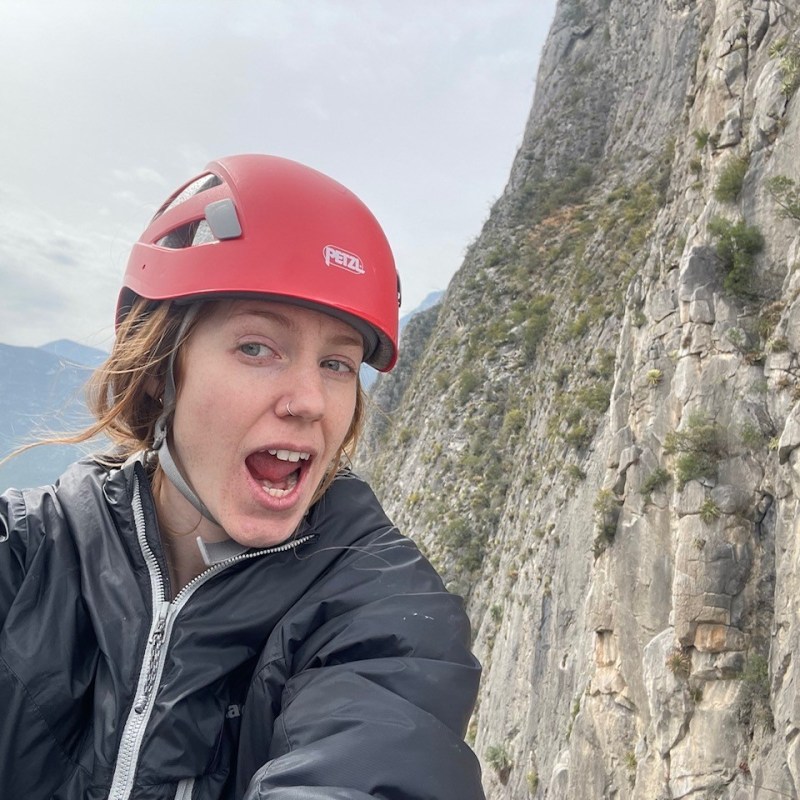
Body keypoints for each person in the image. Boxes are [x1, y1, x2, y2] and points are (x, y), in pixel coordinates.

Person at [0, 155, 485, 799]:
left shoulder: (385, 614)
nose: (309, 399)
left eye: (338, 364)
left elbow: (374, 764)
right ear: (159, 367)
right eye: (257, 347)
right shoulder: (27, 553)